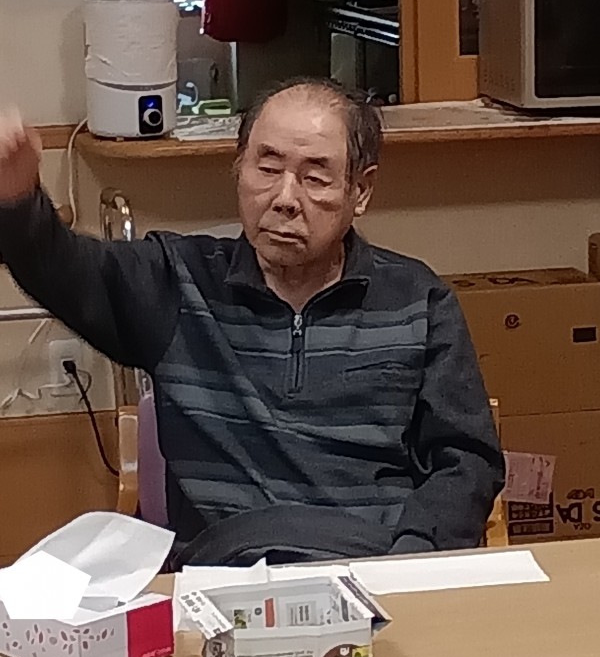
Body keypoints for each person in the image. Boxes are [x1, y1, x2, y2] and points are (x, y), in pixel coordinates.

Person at [0, 78, 504, 567]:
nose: (285, 198)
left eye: (315, 178)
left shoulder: (418, 299)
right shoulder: (177, 281)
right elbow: (60, 266)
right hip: (222, 582)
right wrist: (18, 198)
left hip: (375, 571)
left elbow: (467, 460)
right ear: (238, 168)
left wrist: (411, 560)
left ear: (361, 190)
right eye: (267, 168)